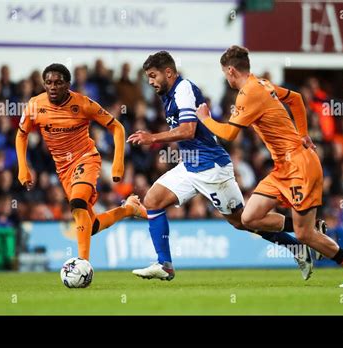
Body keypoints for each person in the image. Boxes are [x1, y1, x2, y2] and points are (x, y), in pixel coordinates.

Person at [127, 51, 316, 281]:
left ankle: (303, 236)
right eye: (148, 77)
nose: (150, 81)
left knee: (243, 221)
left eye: (153, 75)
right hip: (190, 165)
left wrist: (152, 138)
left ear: (168, 72)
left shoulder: (183, 89)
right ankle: (164, 264)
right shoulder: (167, 95)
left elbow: (188, 130)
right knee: (153, 200)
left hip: (211, 167)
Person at [196, 45, 343, 287]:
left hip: (300, 166)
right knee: (249, 217)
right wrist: (304, 133)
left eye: (226, 73)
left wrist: (205, 119)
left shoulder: (248, 93)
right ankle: (313, 227)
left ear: (232, 70)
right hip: (282, 167)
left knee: (304, 235)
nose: (227, 78)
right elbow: (296, 99)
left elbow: (229, 134)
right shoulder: (263, 83)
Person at [15, 63, 146, 261]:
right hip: (63, 169)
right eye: (48, 83)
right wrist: (23, 168)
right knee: (89, 225)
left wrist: (119, 163)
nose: (53, 87)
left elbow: (117, 127)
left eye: (58, 83)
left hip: (86, 159)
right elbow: (21, 135)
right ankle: (128, 209)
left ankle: (83, 264)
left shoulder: (83, 104)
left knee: (78, 203)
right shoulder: (34, 105)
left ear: (68, 84)